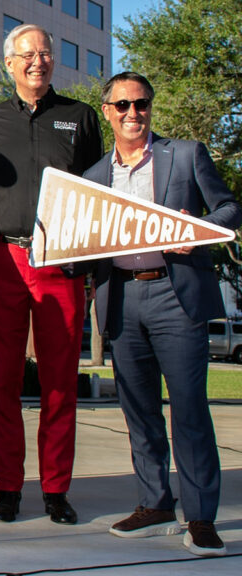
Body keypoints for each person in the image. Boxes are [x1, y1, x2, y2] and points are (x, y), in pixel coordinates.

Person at [81, 72, 240, 557]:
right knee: (139, 411)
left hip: (176, 294)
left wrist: (198, 230)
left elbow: (230, 208)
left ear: (151, 107)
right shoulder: (92, 178)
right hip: (122, 298)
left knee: (189, 410)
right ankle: (155, 504)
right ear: (107, 110)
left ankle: (200, 518)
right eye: (123, 105)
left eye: (142, 104)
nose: (134, 114)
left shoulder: (185, 154)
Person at [0, 24, 103, 524]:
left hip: (60, 263)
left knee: (60, 381)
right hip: (1, 259)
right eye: (27, 54)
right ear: (9, 64)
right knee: (1, 381)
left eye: (45, 52)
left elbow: (96, 197)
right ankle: (9, 489)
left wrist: (86, 265)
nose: (37, 61)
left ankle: (57, 490)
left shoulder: (79, 117)